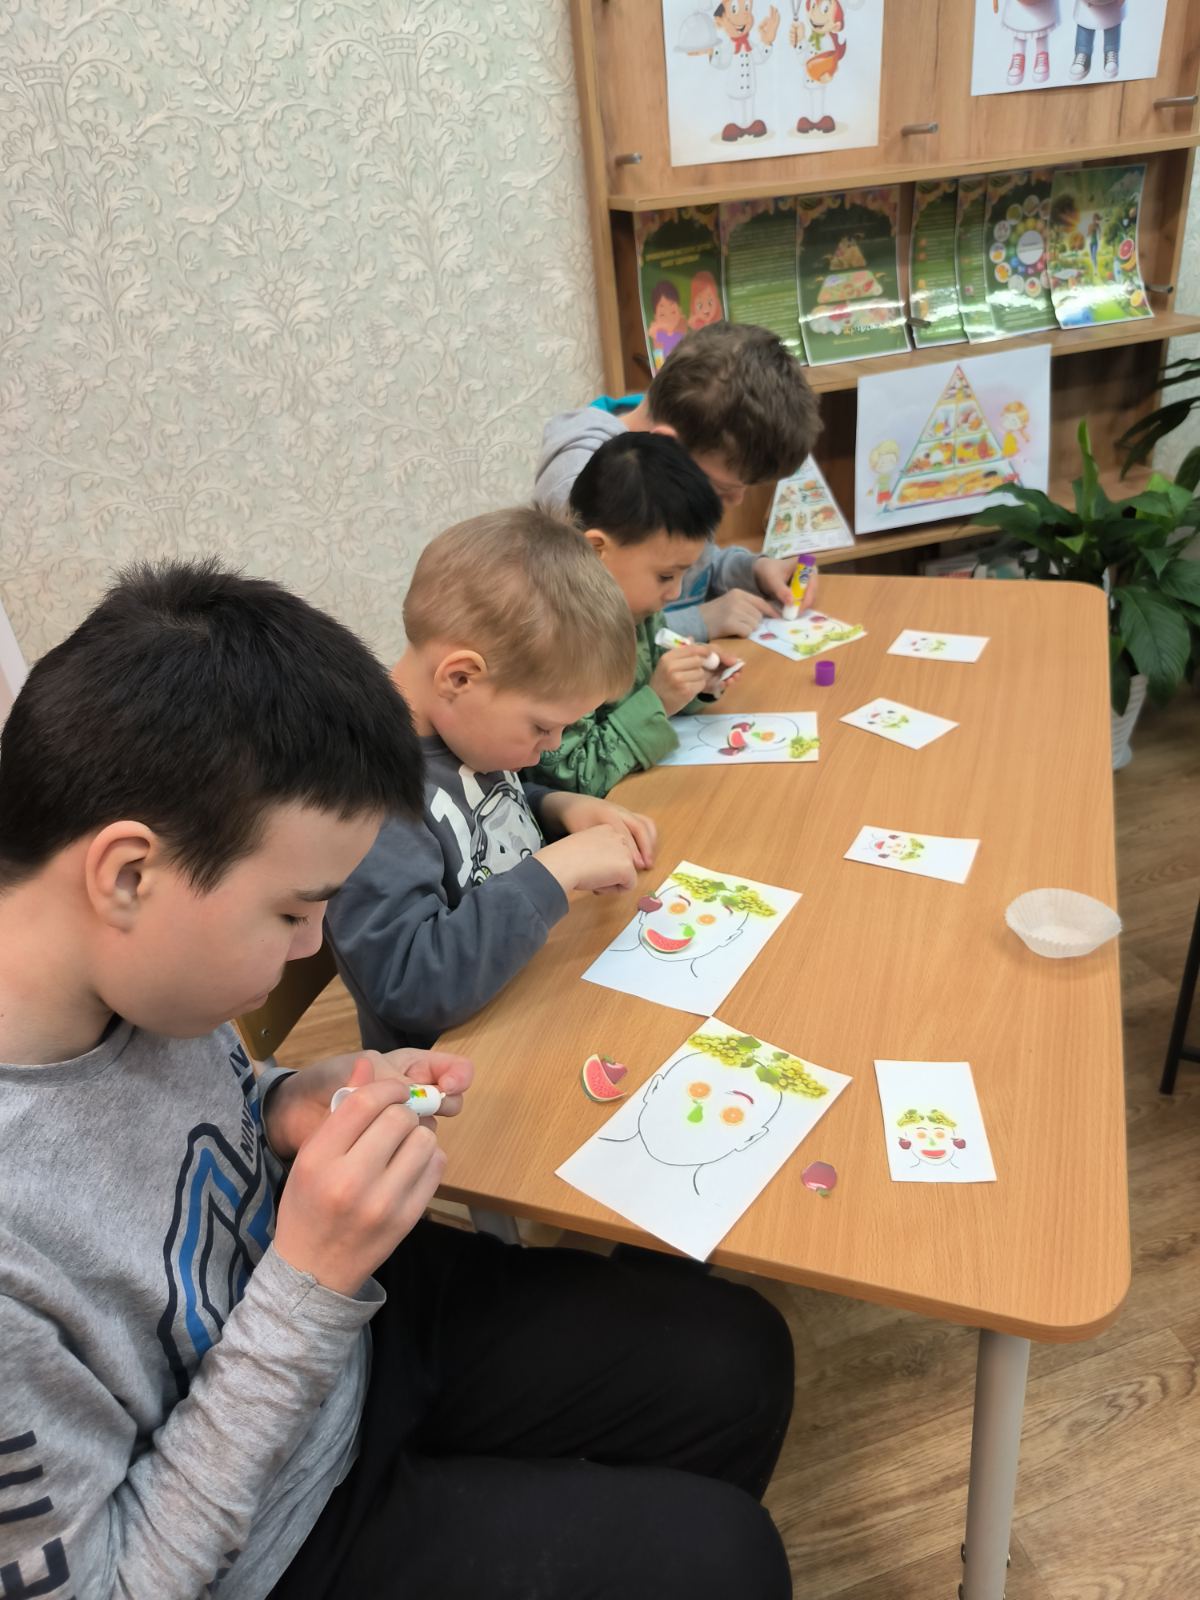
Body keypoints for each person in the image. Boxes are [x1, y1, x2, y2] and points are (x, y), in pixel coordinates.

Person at [0, 560, 796, 1600]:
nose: (315, 947)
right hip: (268, 1525)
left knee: (736, 1354)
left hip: (340, 1330)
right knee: (724, 1560)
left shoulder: (121, 975)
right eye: (293, 912)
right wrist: (312, 1278)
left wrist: (281, 1099)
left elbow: (170, 1128)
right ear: (127, 873)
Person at [325, 506, 657, 1051]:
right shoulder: (368, 798)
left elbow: (482, 806)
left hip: (527, 998)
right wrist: (558, 869)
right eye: (543, 727)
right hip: (460, 1060)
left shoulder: (466, 733)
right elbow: (409, 984)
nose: (553, 745)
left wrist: (558, 808)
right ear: (460, 678)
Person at [535, 321, 822, 641]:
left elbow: (690, 564)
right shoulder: (585, 482)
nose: (736, 500)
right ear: (668, 447)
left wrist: (753, 571)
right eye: (724, 487)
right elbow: (576, 632)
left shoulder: (683, 451)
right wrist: (700, 621)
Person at [537, 432, 735, 796]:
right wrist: (658, 701)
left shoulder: (634, 609)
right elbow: (570, 777)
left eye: (683, 575)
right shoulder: (559, 639)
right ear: (597, 550)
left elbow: (653, 679)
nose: (675, 593)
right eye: (665, 576)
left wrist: (693, 684)